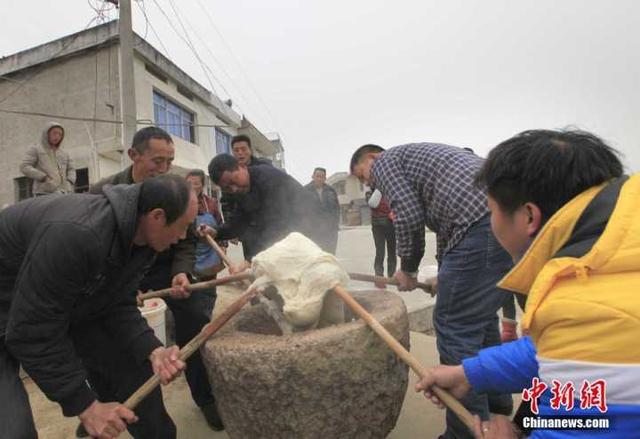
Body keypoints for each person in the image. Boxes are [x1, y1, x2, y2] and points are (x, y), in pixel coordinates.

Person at [416, 129, 639, 438]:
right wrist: (470, 373)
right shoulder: (608, 262)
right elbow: (556, 351)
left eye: (491, 211)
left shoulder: (584, 306)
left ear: (529, 217)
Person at [0, 175, 193, 439]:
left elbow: (116, 302)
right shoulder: (79, 233)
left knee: (136, 379)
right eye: (183, 226)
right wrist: (86, 406)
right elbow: (32, 331)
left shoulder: (140, 239)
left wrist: (153, 349)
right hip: (11, 306)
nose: (182, 237)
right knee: (13, 430)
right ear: (157, 216)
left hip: (53, 300)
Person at [350, 143, 513, 438]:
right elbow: (443, 226)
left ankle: (466, 431)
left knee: (455, 325)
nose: (369, 184)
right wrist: (443, 272)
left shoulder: (386, 162)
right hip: (503, 219)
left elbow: (409, 216)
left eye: (363, 176)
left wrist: (408, 269)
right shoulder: (431, 162)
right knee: (481, 316)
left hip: (478, 224)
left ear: (372, 158)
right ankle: (497, 405)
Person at [90, 127, 222, 432]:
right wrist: (122, 288)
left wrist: (181, 271)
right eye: (157, 161)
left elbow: (187, 240)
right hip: (121, 277)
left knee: (194, 326)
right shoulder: (104, 193)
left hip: (166, 268)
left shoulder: (176, 190)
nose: (163, 170)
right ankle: (101, 406)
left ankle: (205, 398)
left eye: (170, 162)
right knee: (105, 338)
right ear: (134, 156)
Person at [205, 154, 324, 273]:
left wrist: (250, 260)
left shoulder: (269, 179)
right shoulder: (240, 192)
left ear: (241, 166)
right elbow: (239, 221)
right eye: (227, 188)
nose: (234, 189)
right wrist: (217, 232)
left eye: (233, 181)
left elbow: (276, 226)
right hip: (286, 240)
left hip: (310, 232)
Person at [220, 135, 273, 259]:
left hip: (269, 227)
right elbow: (226, 204)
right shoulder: (229, 174)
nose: (240, 153)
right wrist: (231, 229)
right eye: (236, 150)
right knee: (252, 264)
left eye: (243, 149)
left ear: (250, 150)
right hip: (247, 230)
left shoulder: (264, 167)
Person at [185, 169, 225, 280]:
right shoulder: (180, 203)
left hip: (209, 253)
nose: (192, 187)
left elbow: (220, 224)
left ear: (202, 186)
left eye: (196, 184)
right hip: (188, 252)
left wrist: (222, 245)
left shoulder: (211, 203)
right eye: (189, 183)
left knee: (208, 291)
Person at [20, 122, 75, 195]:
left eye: (60, 134)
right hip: (44, 193)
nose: (57, 136)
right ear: (47, 133)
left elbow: (71, 169)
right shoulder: (36, 149)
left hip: (64, 193)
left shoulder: (64, 153)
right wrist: (43, 177)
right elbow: (24, 167)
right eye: (54, 133)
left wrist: (70, 181)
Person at [304, 167, 340, 254]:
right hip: (313, 231)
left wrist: (335, 225)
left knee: (330, 255)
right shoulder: (305, 190)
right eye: (317, 176)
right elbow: (302, 211)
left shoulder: (330, 191)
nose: (319, 179)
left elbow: (337, 209)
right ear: (313, 176)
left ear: (325, 178)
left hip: (330, 230)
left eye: (322, 176)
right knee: (316, 257)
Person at [366, 189, 397, 279]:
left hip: (390, 224)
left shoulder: (390, 191)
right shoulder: (371, 193)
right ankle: (379, 276)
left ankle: (391, 275)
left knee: (391, 251)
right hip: (378, 225)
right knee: (380, 251)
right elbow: (373, 204)